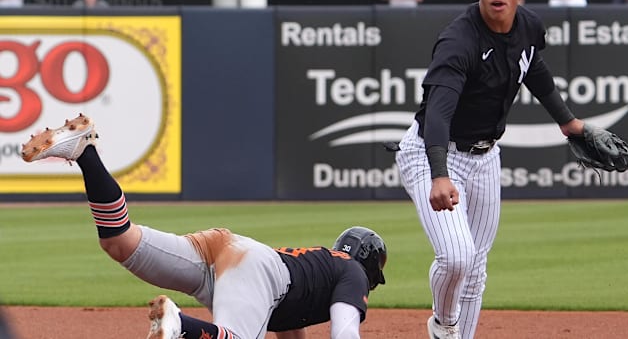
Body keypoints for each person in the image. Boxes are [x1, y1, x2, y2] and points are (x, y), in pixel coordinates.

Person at [21, 114, 387, 339]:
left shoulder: (320, 270)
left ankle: (85, 152)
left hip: (229, 254)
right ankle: (181, 325)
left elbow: (288, 323)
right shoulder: (352, 272)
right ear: (370, 265)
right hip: (250, 268)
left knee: (120, 241)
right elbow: (344, 331)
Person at [393, 0, 585, 339]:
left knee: (476, 268)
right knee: (457, 257)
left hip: (485, 155)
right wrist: (439, 174)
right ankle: (444, 325)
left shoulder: (529, 27)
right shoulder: (458, 41)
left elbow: (534, 68)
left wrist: (568, 123)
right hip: (433, 152)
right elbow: (438, 113)